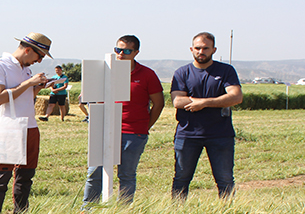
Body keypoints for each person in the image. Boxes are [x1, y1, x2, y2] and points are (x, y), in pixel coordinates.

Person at [83, 35, 164, 205]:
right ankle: (87, 209)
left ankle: (123, 213)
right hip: (104, 129)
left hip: (133, 133)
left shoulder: (147, 74)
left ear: (136, 52)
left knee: (126, 175)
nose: (121, 54)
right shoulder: (104, 72)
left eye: (126, 51)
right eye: (118, 50)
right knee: (94, 172)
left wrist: (144, 126)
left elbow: (158, 104)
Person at [0, 32, 54, 214]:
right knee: (2, 175)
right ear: (28, 50)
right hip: (8, 126)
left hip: (29, 125)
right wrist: (28, 83)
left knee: (26, 175)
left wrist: (37, 87)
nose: (39, 61)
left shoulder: (26, 69)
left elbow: (24, 97)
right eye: (39, 56)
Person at [170, 32, 243, 199]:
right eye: (197, 48)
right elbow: (178, 101)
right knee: (181, 178)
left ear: (214, 50)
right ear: (191, 49)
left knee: (225, 179)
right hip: (188, 134)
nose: (200, 51)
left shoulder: (226, 71)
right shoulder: (182, 72)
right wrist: (218, 100)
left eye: (205, 48)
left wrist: (203, 103)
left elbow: (236, 97)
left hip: (220, 134)